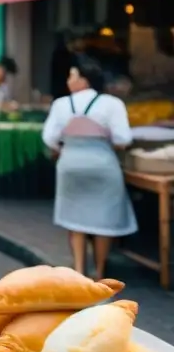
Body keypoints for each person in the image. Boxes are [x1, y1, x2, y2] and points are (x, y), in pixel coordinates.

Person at [42, 56, 136, 279]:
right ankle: (100, 272)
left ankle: (79, 270)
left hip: (70, 164)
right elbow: (123, 138)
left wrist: (66, 146)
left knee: (76, 221)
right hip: (103, 164)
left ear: (85, 80)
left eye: (72, 75)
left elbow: (49, 138)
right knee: (103, 221)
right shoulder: (113, 104)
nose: (68, 80)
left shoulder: (61, 104)